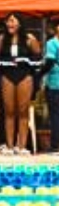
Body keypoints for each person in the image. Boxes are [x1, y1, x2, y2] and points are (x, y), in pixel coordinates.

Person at [0, 13, 42, 155]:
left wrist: (25, 61)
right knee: (9, 111)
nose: (10, 24)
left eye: (13, 21)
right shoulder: (2, 39)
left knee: (23, 111)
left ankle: (22, 146)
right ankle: (9, 146)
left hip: (25, 76)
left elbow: (38, 57)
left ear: (19, 23)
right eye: (8, 21)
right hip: (7, 76)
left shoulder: (29, 38)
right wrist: (5, 62)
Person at [45, 18, 59, 154]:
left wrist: (39, 74)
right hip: (54, 83)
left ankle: (55, 144)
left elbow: (49, 62)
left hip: (55, 83)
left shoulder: (51, 43)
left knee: (55, 114)